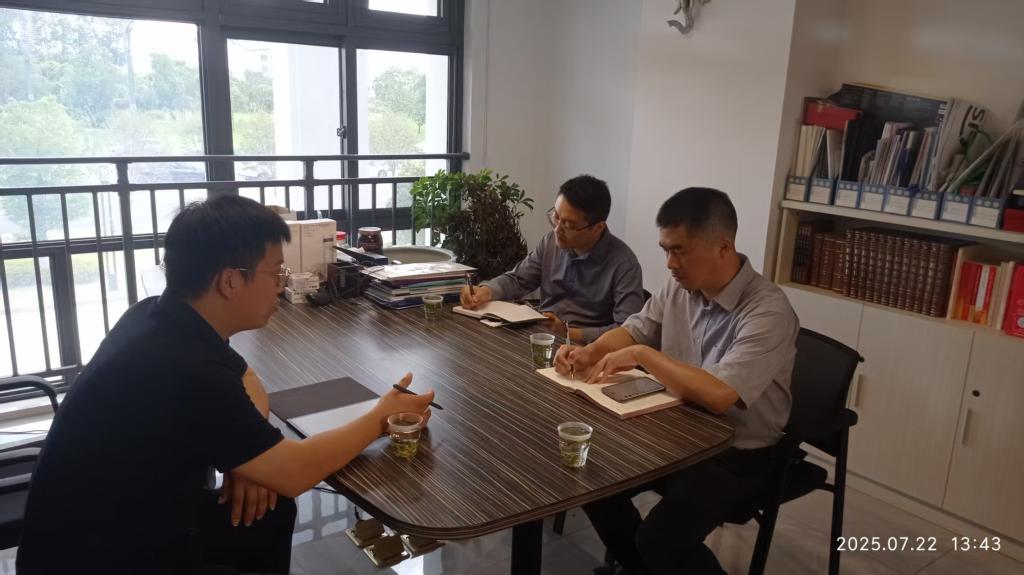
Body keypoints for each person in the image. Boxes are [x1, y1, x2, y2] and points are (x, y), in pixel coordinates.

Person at [18, 195, 434, 574]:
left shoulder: (157, 316)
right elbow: (295, 471)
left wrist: (246, 458)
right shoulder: (184, 366)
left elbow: (246, 377)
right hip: (96, 557)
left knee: (267, 508)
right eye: (276, 272)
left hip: (113, 522)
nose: (282, 284)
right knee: (272, 500)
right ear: (230, 281)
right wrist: (382, 417)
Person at [554, 188, 798, 575]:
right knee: (590, 478)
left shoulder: (767, 311)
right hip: (677, 426)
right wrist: (592, 352)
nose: (669, 263)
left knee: (660, 539)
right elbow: (636, 329)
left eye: (679, 251)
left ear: (723, 247)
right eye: (665, 250)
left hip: (738, 452)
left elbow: (719, 395)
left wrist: (643, 356)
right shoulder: (681, 286)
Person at [459, 174, 644, 343]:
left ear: (598, 228)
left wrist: (569, 332)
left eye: (568, 225)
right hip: (541, 338)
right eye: (556, 217)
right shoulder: (550, 242)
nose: (557, 229)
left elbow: (628, 331)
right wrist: (485, 291)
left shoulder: (624, 265)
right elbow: (518, 280)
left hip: (588, 351)